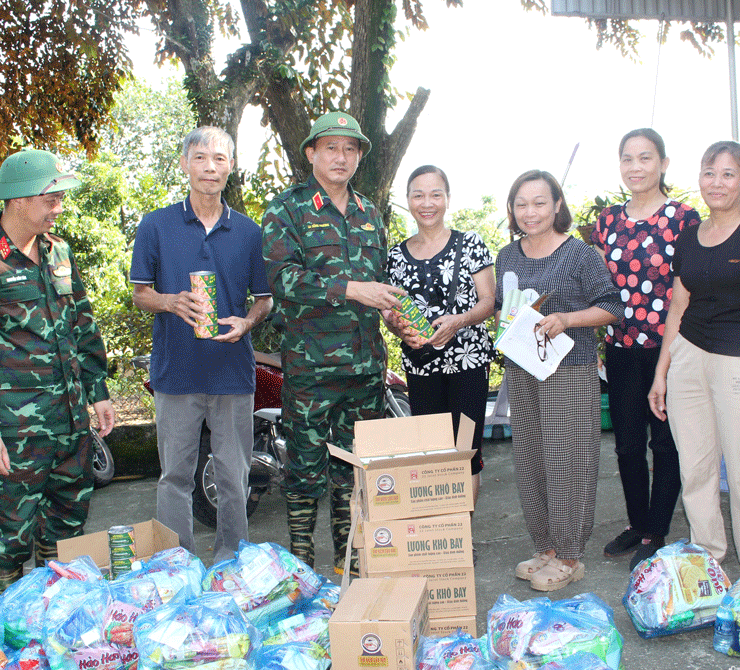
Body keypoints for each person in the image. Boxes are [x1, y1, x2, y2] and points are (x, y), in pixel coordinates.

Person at [0, 149, 115, 591]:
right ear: (19, 199)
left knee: (66, 534)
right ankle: (8, 634)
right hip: (15, 432)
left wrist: (98, 390)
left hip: (71, 425)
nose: (58, 208)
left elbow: (82, 321)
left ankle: (53, 626)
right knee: (9, 539)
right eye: (51, 199)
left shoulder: (58, 251)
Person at [262, 112, 403, 573]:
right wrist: (350, 288)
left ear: (359, 156)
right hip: (309, 372)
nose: (341, 157)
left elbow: (380, 284)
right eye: (331, 148)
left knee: (353, 475)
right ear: (312, 154)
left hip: (364, 372)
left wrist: (391, 310)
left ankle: (350, 569)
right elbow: (282, 280)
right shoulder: (287, 210)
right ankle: (302, 573)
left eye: (350, 149)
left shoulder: (369, 214)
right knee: (303, 477)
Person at [130, 127, 273, 565]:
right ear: (184, 163)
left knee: (234, 475)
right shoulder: (156, 225)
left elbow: (264, 299)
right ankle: (176, 564)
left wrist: (247, 321)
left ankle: (232, 561)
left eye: (220, 159)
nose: (210, 167)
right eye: (201, 158)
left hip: (232, 373)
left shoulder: (249, 232)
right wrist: (171, 301)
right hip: (176, 372)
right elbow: (140, 292)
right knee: (175, 476)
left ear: (231, 166)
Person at [648, 141, 740, 569]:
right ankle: (707, 560)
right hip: (689, 356)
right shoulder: (688, 238)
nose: (717, 182)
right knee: (695, 469)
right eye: (710, 172)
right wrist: (662, 373)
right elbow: (678, 306)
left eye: (728, 174)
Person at [495, 169, 623, 592]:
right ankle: (545, 547)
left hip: (568, 367)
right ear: (512, 210)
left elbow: (610, 307)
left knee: (568, 458)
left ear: (557, 206)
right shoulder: (507, 257)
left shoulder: (579, 255)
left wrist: (566, 319)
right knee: (530, 457)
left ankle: (570, 555)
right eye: (521, 204)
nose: (530, 212)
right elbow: (505, 308)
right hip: (522, 367)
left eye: (539, 203)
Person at [592, 129, 702, 570]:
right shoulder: (607, 221)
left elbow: (686, 290)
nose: (635, 167)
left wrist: (670, 351)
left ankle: (657, 530)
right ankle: (638, 524)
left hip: (669, 345)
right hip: (620, 345)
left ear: (663, 163)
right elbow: (599, 285)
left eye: (645, 158)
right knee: (626, 445)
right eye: (627, 158)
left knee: (666, 443)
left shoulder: (683, 217)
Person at [383, 165, 496, 509]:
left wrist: (459, 321)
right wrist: (396, 326)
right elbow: (389, 315)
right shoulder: (395, 257)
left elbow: (489, 302)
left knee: (465, 450)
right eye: (418, 195)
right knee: (432, 453)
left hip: (468, 362)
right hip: (422, 368)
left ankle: (462, 537)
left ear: (447, 199)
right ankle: (439, 532)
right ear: (408, 201)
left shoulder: (470, 243)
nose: (427, 202)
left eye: (435, 194)